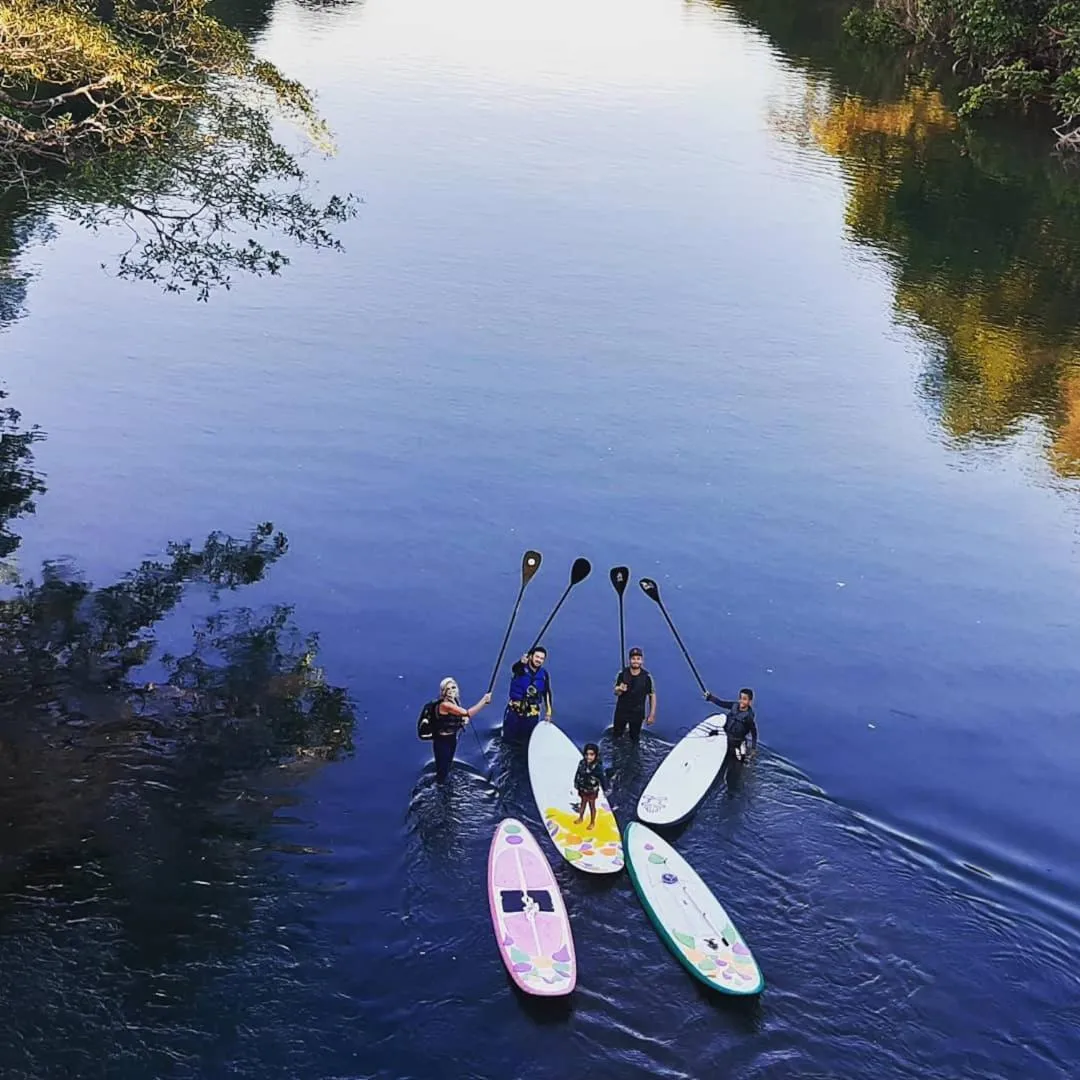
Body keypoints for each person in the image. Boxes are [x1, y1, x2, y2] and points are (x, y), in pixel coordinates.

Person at [432, 677, 492, 782]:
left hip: (451, 738)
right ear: (443, 692)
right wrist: (484, 701)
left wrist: (462, 720)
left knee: (448, 765)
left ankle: (445, 783)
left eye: (453, 687)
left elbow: (460, 715)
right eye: (448, 689)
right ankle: (440, 784)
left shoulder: (455, 701)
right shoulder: (445, 705)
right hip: (442, 741)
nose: (451, 691)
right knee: (442, 771)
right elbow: (467, 713)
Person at [503, 646, 553, 740]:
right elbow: (515, 668)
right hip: (514, 712)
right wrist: (521, 662)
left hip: (531, 715)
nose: (539, 660)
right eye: (537, 657)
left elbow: (547, 692)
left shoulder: (544, 674)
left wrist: (548, 711)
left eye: (542, 658)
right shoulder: (520, 669)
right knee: (508, 739)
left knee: (527, 740)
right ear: (531, 657)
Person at [612, 647, 656, 742]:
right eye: (633, 658)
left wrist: (651, 715)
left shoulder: (647, 677)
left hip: (637, 713)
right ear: (629, 660)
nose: (635, 661)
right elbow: (616, 692)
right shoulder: (622, 674)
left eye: (638, 659)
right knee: (616, 736)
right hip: (621, 712)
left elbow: (652, 695)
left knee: (635, 738)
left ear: (642, 661)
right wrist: (620, 689)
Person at [705, 687, 758, 762]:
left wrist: (753, 748)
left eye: (744, 699)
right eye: (740, 698)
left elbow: (754, 732)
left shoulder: (748, 717)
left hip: (737, 742)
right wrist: (710, 697)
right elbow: (722, 703)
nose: (741, 701)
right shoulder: (734, 706)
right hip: (726, 736)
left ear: (750, 702)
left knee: (738, 759)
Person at [573, 742, 603, 829]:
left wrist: (606, 788)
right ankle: (580, 818)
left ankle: (592, 822)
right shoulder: (582, 763)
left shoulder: (598, 767)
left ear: (596, 755)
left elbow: (602, 778)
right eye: (586, 754)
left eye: (591, 754)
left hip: (592, 790)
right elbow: (578, 773)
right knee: (582, 803)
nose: (588, 757)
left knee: (591, 805)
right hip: (582, 788)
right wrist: (575, 782)